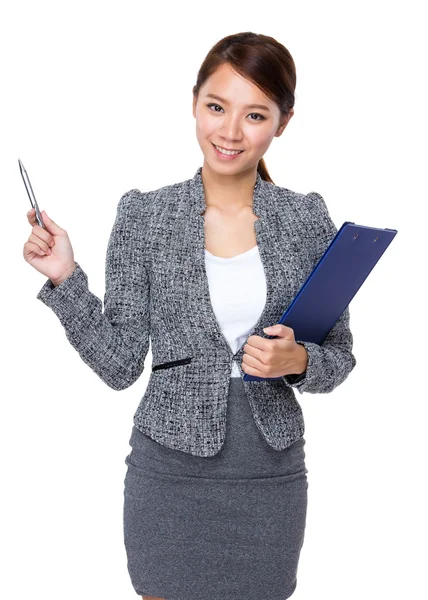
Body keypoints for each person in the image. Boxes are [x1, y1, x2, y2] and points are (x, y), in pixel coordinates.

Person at [24, 31, 356, 600]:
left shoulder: (306, 219)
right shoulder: (145, 215)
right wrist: (64, 278)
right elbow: (120, 364)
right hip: (169, 471)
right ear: (194, 103)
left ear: (283, 122)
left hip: (269, 474)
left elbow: (340, 358)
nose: (229, 132)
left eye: (255, 114)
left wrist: (298, 359)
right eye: (216, 107)